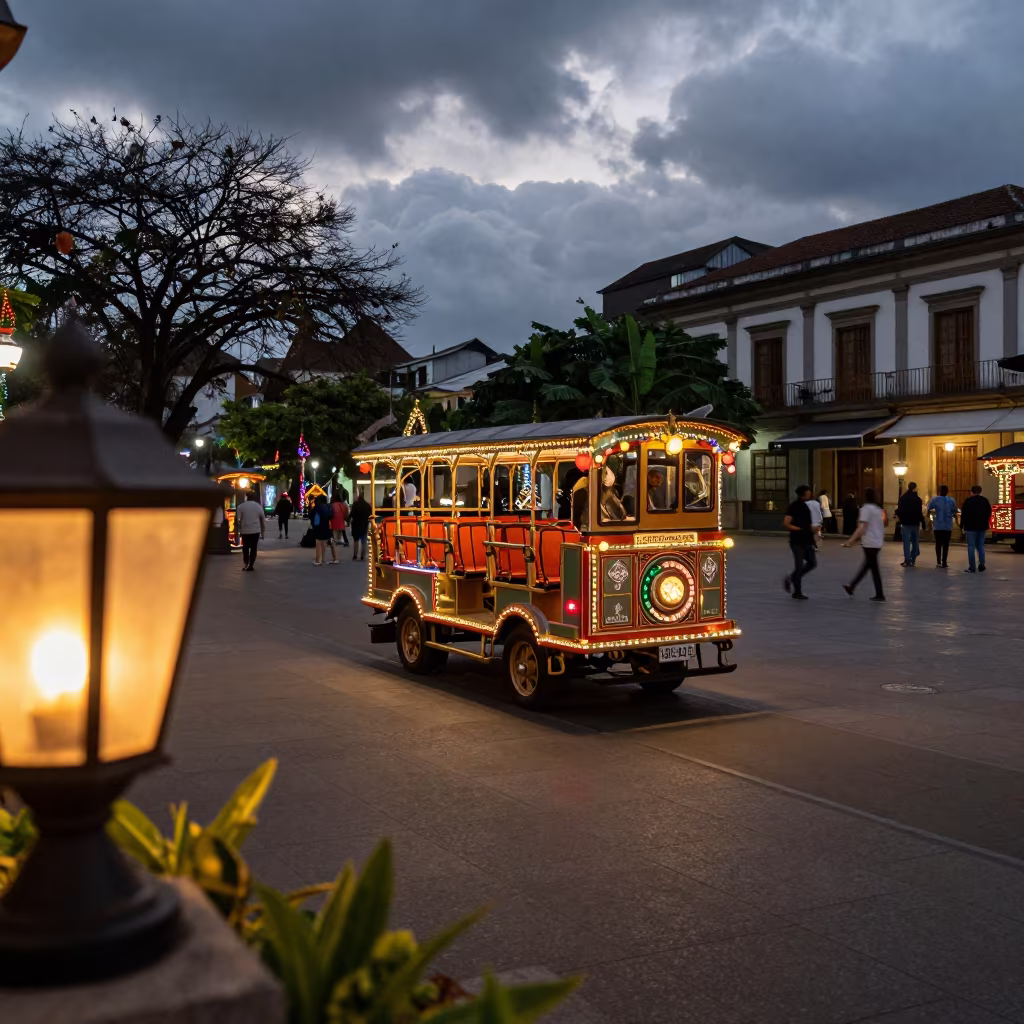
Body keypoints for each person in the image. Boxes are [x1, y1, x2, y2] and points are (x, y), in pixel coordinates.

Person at [842, 487, 885, 601]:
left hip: (869, 541)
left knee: (872, 567)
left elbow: (862, 527)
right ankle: (852, 587)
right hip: (877, 540)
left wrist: (851, 540)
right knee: (868, 566)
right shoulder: (878, 509)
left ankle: (879, 594)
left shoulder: (865, 509)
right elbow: (883, 523)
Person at [782, 485, 815, 600]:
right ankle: (797, 592)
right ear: (803, 493)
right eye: (808, 491)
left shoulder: (806, 506)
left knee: (812, 562)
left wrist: (812, 532)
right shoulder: (794, 506)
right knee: (799, 565)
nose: (810, 493)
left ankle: (791, 578)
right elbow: (786, 523)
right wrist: (799, 529)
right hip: (797, 541)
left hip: (807, 540)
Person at [960, 484, 992, 573]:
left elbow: (964, 514)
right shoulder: (985, 501)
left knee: (971, 546)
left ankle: (972, 567)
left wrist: (962, 526)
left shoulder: (968, 501)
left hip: (970, 527)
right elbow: (989, 512)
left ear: (972, 492)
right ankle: (982, 564)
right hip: (982, 526)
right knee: (980, 546)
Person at [896, 481, 925, 567]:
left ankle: (907, 560)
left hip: (906, 523)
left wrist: (900, 518)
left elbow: (900, 510)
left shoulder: (903, 498)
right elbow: (920, 512)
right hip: (915, 523)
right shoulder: (918, 499)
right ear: (915, 488)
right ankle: (913, 559)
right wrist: (923, 522)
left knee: (906, 542)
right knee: (915, 542)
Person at [926, 484, 956, 568]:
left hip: (938, 525)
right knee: (946, 544)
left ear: (939, 491)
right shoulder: (951, 500)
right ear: (947, 492)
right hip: (948, 525)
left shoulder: (935, 499)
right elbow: (954, 510)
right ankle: (944, 562)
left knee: (938, 543)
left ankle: (938, 561)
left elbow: (929, 508)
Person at [235, 491, 266, 572]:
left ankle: (246, 563)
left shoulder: (240, 506)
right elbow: (262, 520)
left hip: (245, 531)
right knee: (253, 547)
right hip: (255, 531)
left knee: (245, 548)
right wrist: (262, 532)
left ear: (246, 497)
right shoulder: (258, 506)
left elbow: (238, 520)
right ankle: (251, 564)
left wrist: (238, 531)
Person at [310, 493, 334, 566]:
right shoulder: (327, 506)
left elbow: (312, 515)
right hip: (326, 526)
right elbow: (331, 516)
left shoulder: (317, 507)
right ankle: (323, 559)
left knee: (318, 543)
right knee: (324, 543)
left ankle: (318, 560)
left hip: (318, 526)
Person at [349, 489, 371, 560]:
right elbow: (370, 516)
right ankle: (362, 556)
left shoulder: (355, 504)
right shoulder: (367, 505)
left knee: (356, 540)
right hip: (364, 525)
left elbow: (351, 514)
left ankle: (355, 555)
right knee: (364, 541)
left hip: (355, 525)